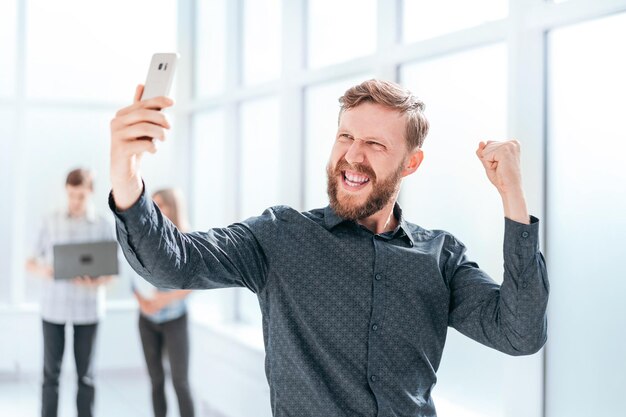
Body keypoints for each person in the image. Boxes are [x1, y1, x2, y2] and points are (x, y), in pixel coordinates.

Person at [108, 79, 549, 417]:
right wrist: (125, 173)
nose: (353, 156)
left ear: (410, 163)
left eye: (375, 144)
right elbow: (172, 264)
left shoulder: (441, 257)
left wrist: (513, 197)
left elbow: (519, 333)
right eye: (346, 137)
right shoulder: (280, 236)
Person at [26, 168, 115, 417]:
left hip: (88, 310)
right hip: (53, 307)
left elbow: (111, 271)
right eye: (71, 195)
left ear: (91, 193)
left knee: (86, 376)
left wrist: (94, 282)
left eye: (81, 196)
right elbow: (29, 262)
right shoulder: (50, 220)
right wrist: (48, 271)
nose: (75, 202)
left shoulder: (103, 225)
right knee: (50, 375)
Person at [132, 188, 195, 417]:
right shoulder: (146, 239)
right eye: (153, 204)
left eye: (161, 204)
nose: (156, 209)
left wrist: (162, 300)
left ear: (173, 208)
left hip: (174, 319)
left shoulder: (187, 238)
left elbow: (192, 284)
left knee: (180, 381)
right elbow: (133, 275)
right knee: (156, 380)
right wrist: (143, 303)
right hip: (147, 320)